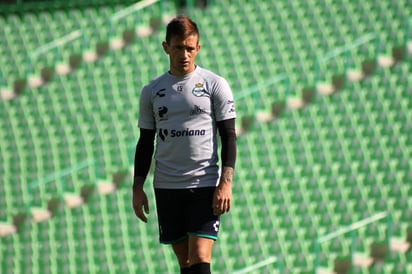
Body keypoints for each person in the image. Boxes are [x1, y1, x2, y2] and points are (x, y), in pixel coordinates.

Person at [132, 15, 237, 274]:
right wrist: (138, 187)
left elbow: (229, 135)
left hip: (204, 183)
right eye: (179, 47)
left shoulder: (215, 84)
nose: (185, 54)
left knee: (201, 256)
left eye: (190, 48)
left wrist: (226, 182)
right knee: (186, 263)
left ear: (198, 48)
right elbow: (145, 141)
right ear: (166, 47)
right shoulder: (152, 91)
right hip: (167, 186)